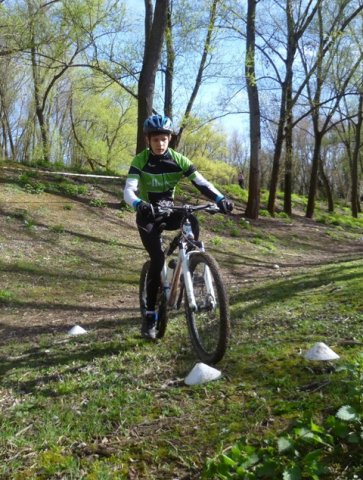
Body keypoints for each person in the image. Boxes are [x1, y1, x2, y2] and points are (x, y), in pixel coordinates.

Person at [124, 114, 233, 340]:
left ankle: (189, 263)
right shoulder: (140, 161)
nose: (160, 143)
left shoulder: (178, 159)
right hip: (148, 216)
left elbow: (201, 182)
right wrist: (139, 204)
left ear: (169, 139)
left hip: (169, 211)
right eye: (155, 139)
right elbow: (129, 190)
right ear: (148, 140)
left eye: (164, 138)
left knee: (192, 220)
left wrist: (221, 199)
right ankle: (151, 316)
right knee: (157, 261)